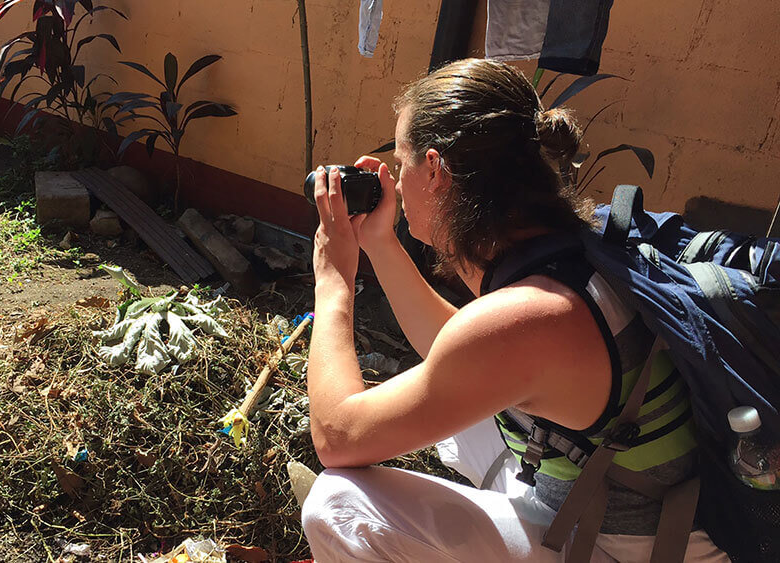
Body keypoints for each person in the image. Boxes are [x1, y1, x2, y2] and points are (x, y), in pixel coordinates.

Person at [301, 58, 728, 562]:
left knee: (336, 505)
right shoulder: (572, 252)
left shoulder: (534, 316)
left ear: (435, 170)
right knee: (452, 415)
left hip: (633, 549)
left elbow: (337, 436)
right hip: (605, 496)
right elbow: (459, 350)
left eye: (401, 163)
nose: (394, 178)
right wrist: (378, 243)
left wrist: (333, 282)